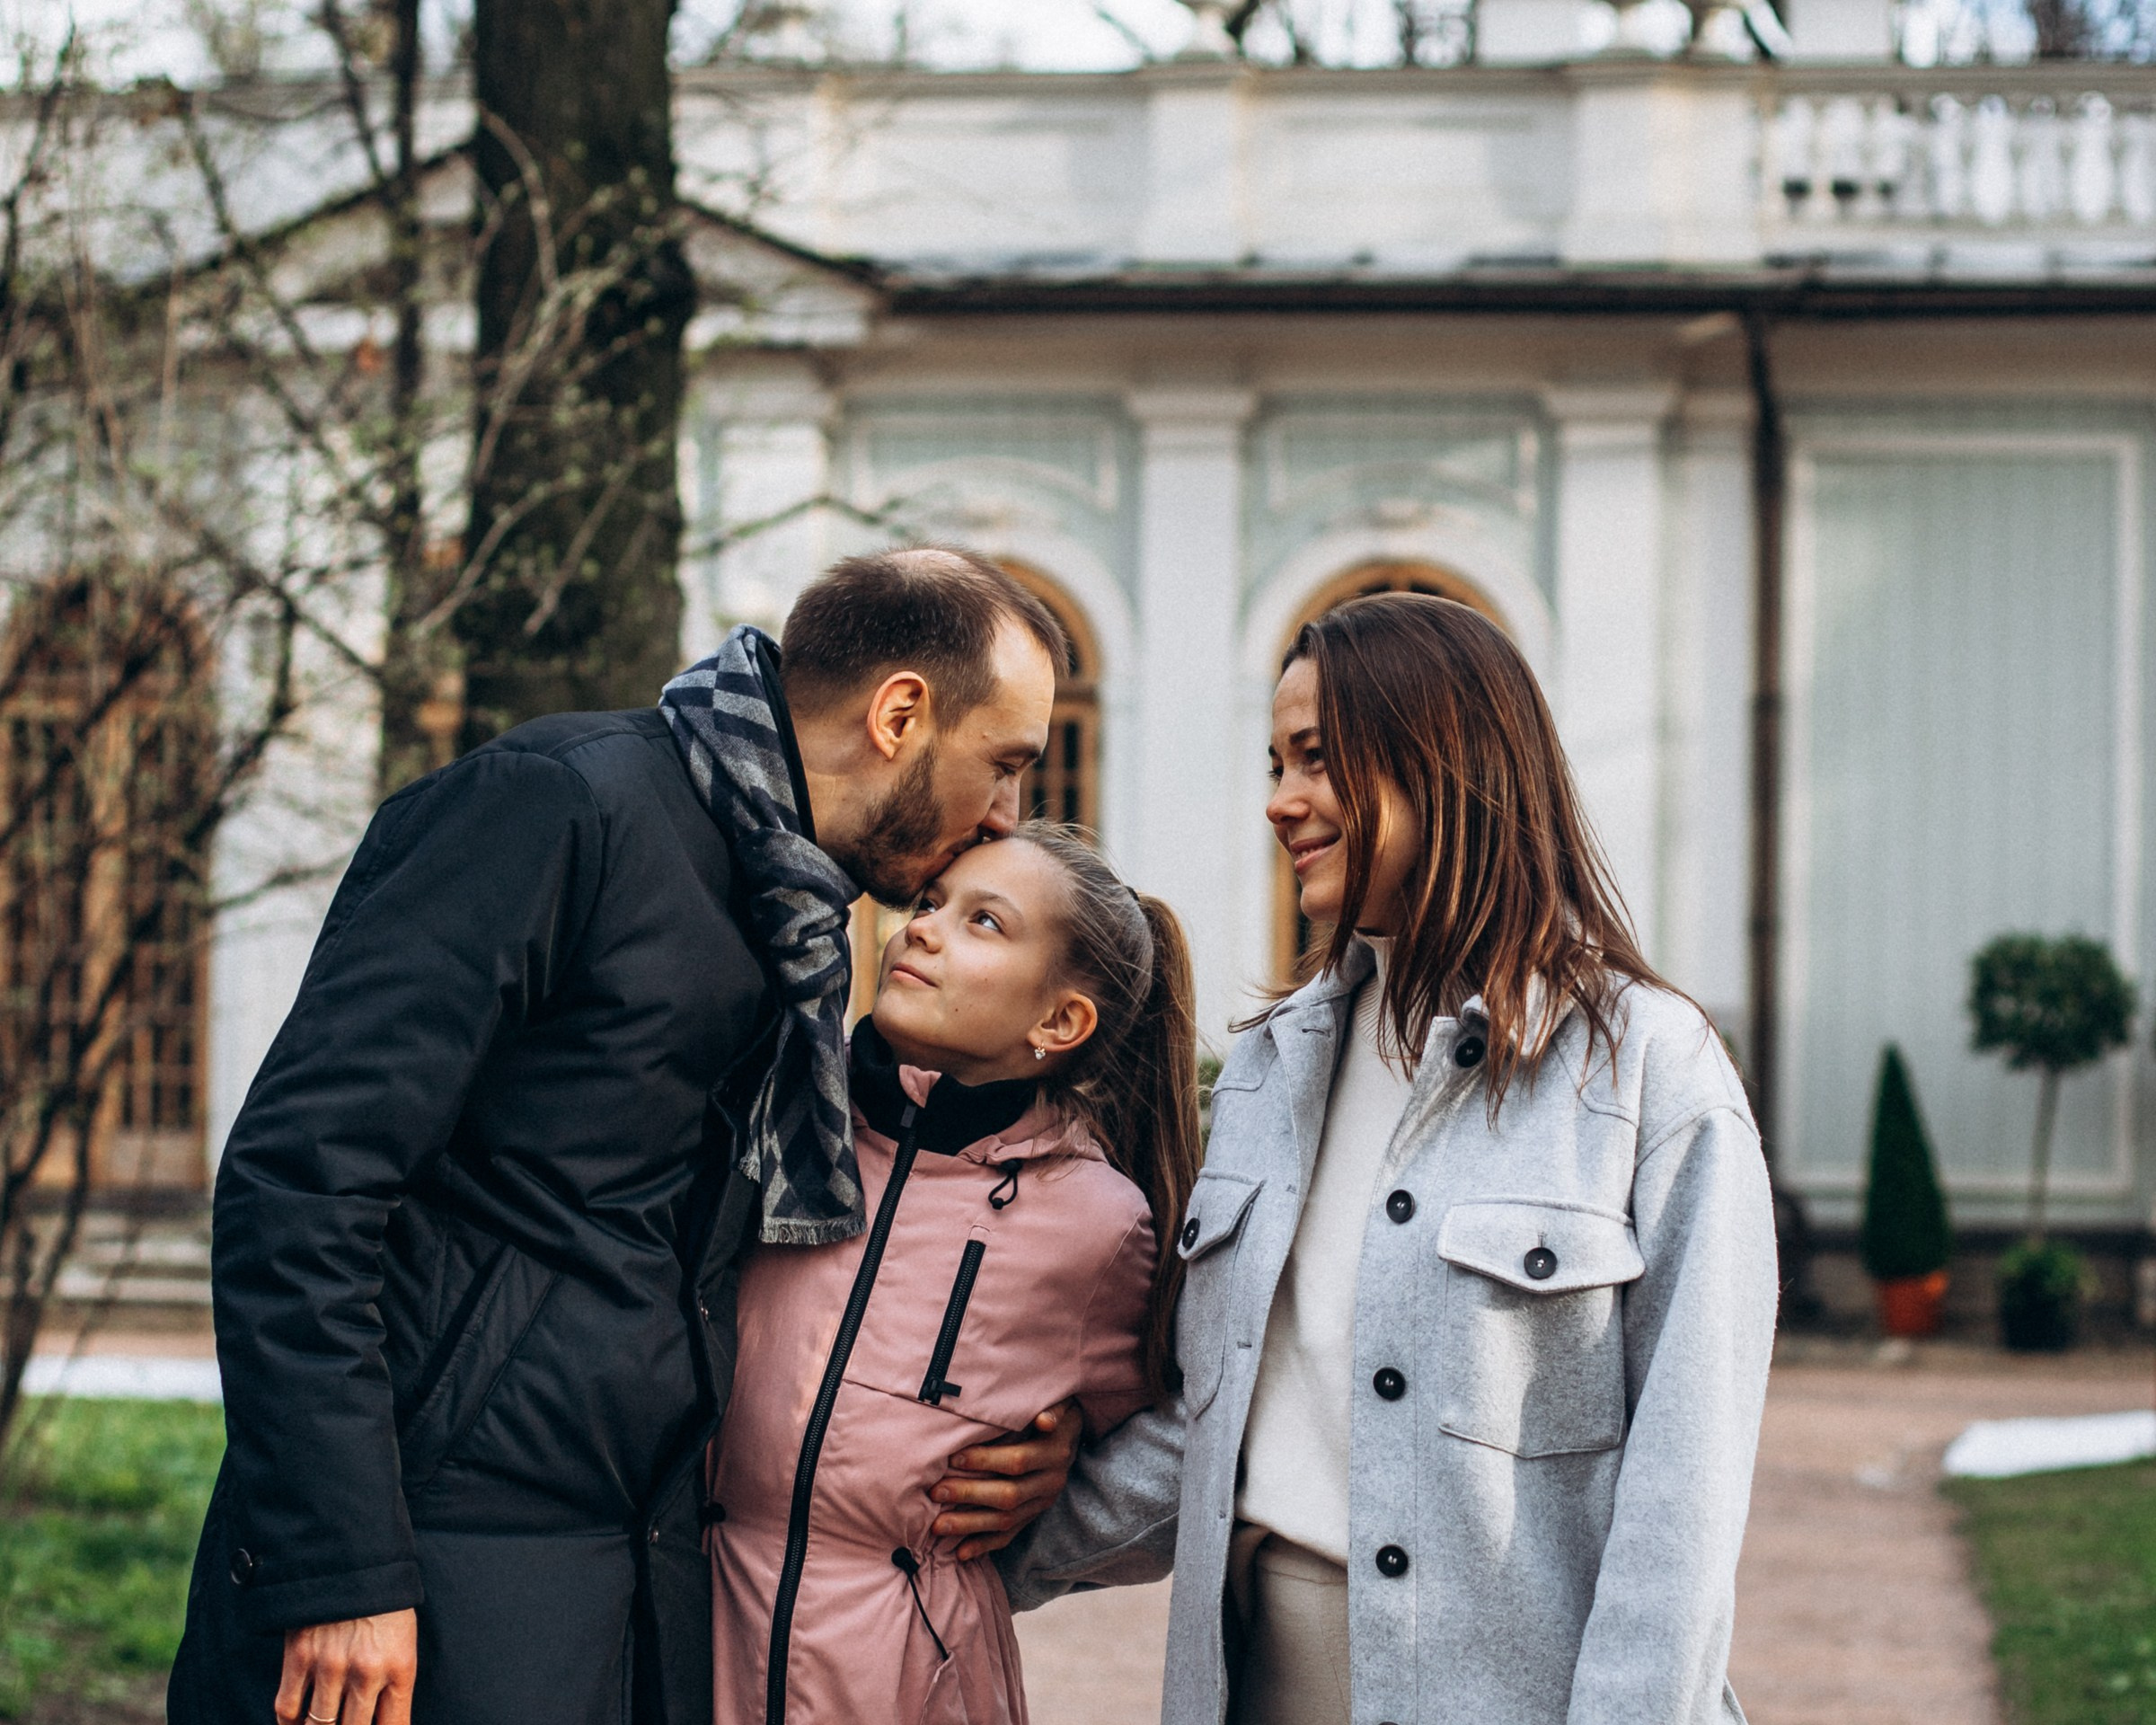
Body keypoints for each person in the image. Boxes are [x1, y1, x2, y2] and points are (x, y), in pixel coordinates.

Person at [170, 547, 1096, 1725]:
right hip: (423, 1578)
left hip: (628, 1581)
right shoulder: (557, 807)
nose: (1006, 815)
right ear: (901, 715)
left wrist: (1025, 1436)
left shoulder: (792, 922)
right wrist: (339, 1566)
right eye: (1004, 764)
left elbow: (858, 1253)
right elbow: (302, 1182)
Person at [998, 592, 1780, 1725]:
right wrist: (956, 1549)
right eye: (1276, 763)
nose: (1281, 800)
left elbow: (1684, 1496)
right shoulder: (1269, 1066)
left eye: (1317, 758)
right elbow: (1226, 1421)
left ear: (1446, 761)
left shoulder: (1650, 1072)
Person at [708, 824, 1200, 1725]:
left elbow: (1161, 1440)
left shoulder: (1099, 1225)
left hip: (912, 1684)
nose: (923, 928)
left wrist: (1049, 1489)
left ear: (1059, 1022)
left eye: (984, 922)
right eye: (931, 904)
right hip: (696, 1637)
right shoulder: (782, 1112)